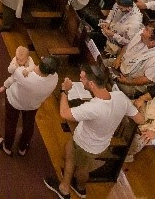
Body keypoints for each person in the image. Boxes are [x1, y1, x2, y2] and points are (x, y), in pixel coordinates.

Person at [45, 66, 142, 199]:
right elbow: (140, 119)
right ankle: (80, 188)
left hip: (84, 143)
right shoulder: (120, 97)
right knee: (72, 154)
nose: (80, 79)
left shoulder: (93, 108)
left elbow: (64, 113)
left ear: (91, 84)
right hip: (102, 144)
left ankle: (65, 189)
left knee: (76, 163)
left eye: (82, 78)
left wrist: (64, 91)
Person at [0, 47, 59, 156]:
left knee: (11, 123)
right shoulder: (55, 78)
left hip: (14, 101)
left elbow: (11, 71)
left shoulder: (22, 73)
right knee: (28, 125)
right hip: (32, 105)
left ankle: (7, 146)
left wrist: (17, 61)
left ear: (42, 59)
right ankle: (22, 148)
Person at [110, 24, 155, 98]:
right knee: (101, 64)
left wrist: (126, 81)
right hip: (123, 64)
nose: (142, 31)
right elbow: (127, 46)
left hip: (136, 85)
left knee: (111, 84)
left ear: (153, 42)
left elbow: (147, 80)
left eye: (146, 31)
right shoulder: (142, 35)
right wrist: (118, 58)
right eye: (146, 28)